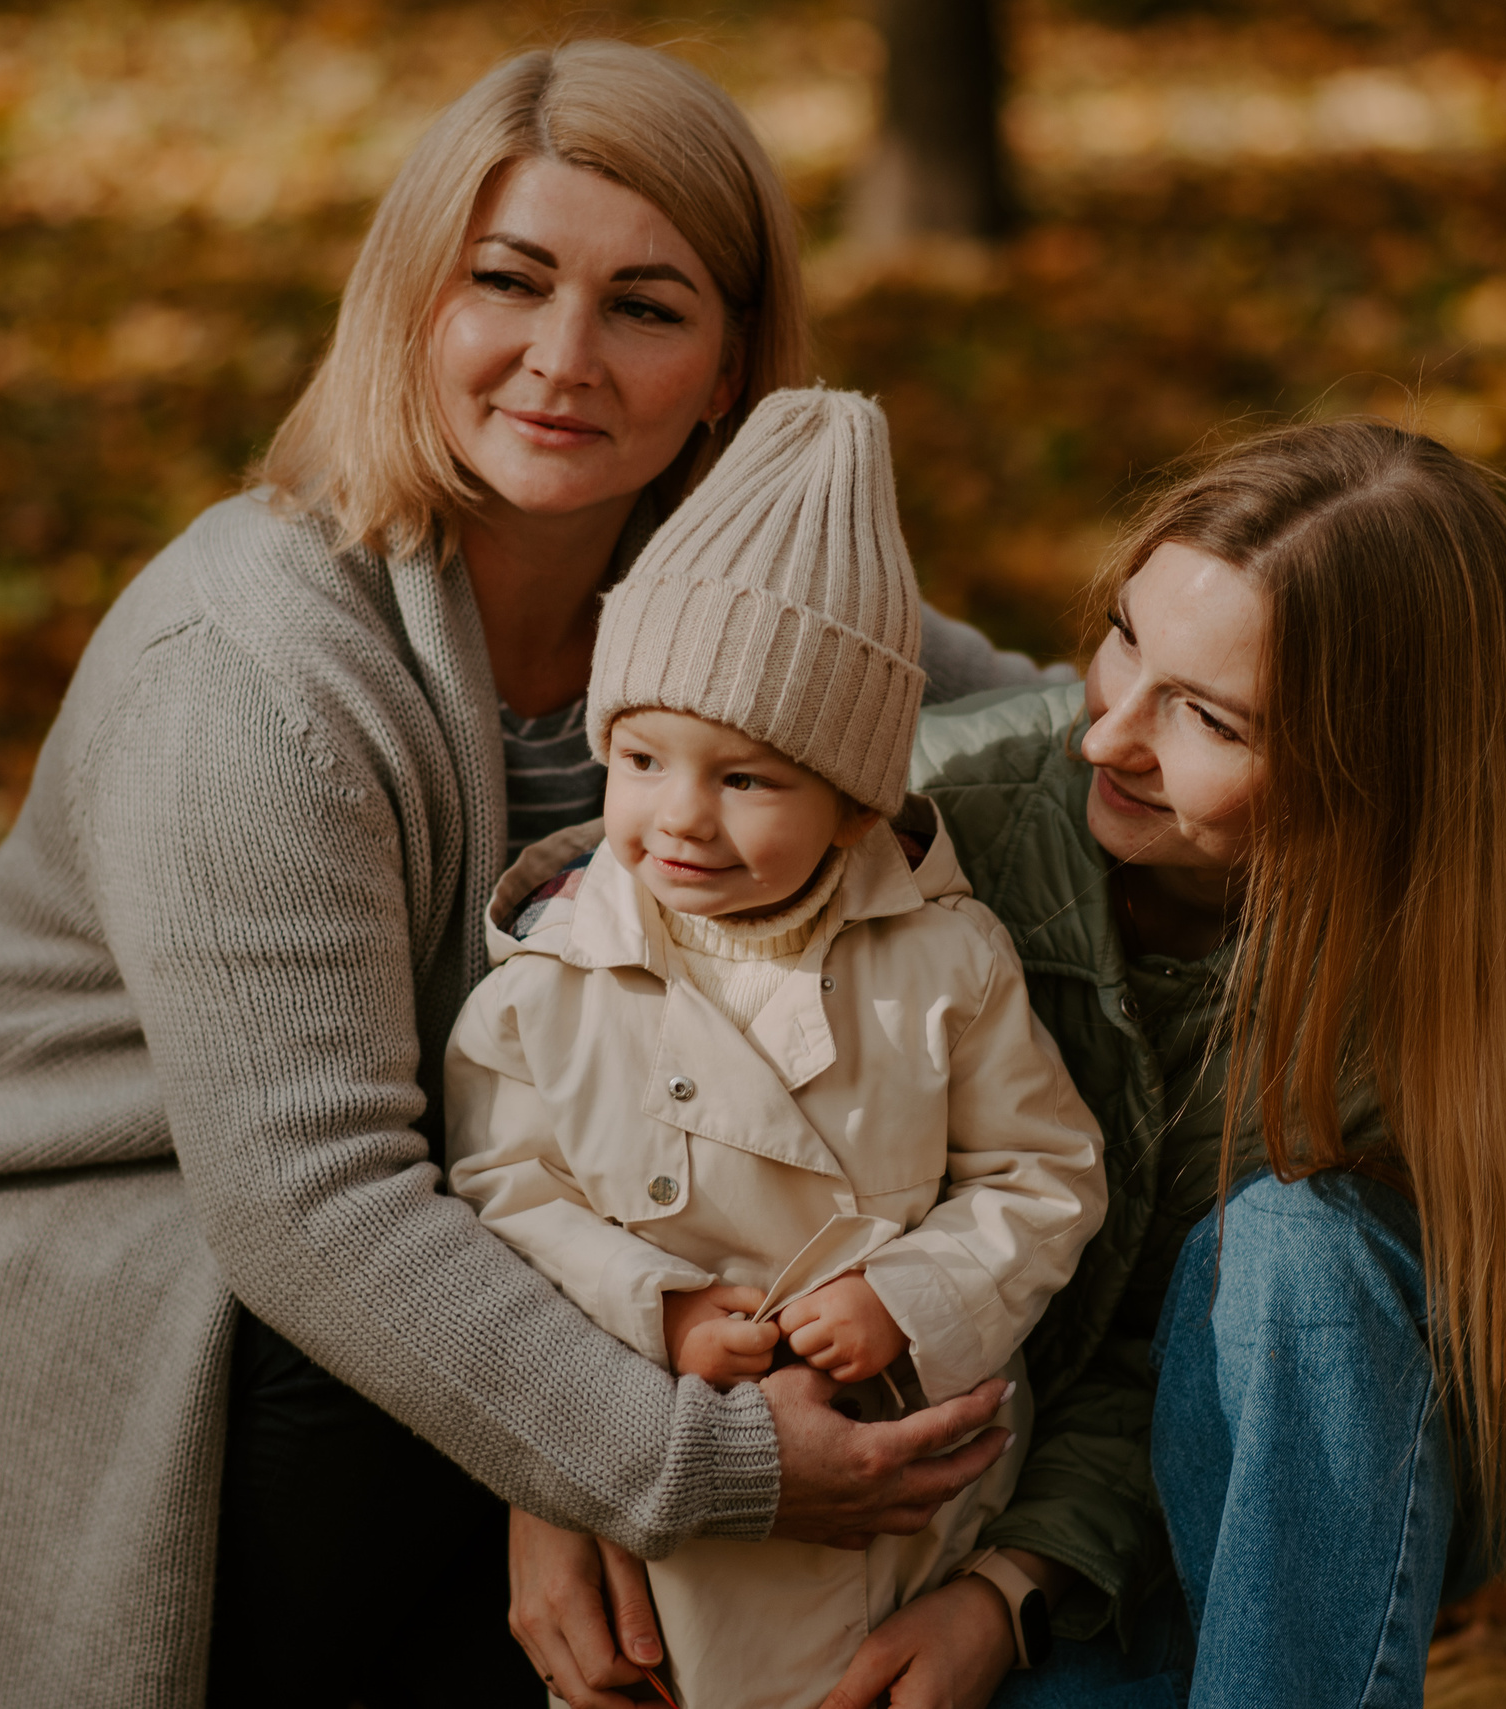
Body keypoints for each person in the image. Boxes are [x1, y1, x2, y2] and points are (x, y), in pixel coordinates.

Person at [0, 42, 1058, 1709]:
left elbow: (1040, 734)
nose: (564, 360)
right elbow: (315, 1205)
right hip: (74, 1217)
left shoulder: (723, 613)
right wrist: (664, 1461)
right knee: (343, 1379)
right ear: (415, 300)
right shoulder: (252, 671)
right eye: (509, 280)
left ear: (727, 371)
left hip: (457, 1218)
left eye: (646, 304)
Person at [510, 419, 1506, 1709]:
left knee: (1298, 1251)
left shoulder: (1451, 961)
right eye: (1127, 640)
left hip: (1246, 1526)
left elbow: (1303, 1385)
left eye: (1205, 719)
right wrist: (570, 1462)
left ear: (1374, 775)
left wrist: (1015, 1590)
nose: (1108, 735)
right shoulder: (934, 825)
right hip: (939, 1509)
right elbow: (598, 977)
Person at [446, 387, 1106, 1709]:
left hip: (901, 1501)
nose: (680, 817)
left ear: (858, 799)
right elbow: (505, 1199)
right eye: (641, 756)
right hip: (672, 1493)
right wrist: (662, 1306)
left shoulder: (941, 959)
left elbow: (1046, 1176)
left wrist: (909, 1300)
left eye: (748, 778)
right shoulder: (553, 973)